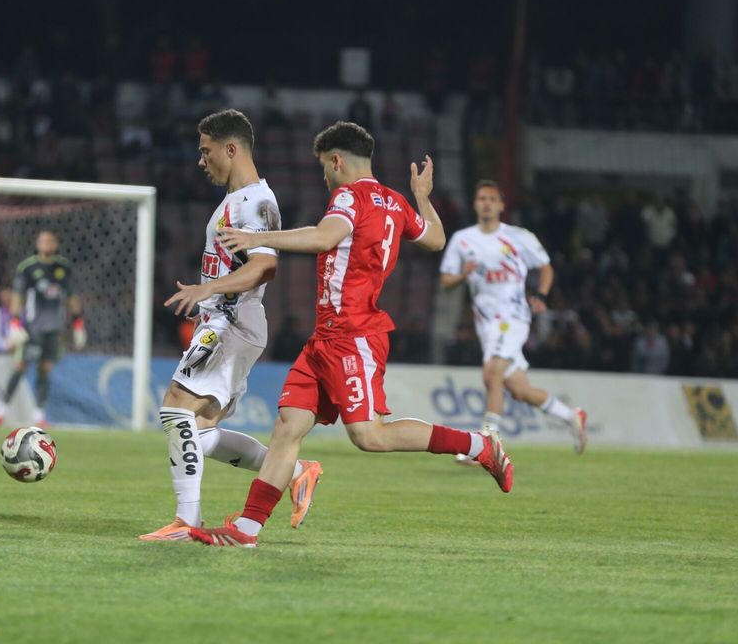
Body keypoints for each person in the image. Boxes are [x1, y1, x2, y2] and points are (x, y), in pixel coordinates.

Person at [189, 121, 512, 548]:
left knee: (370, 435)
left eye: (325, 166)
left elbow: (325, 236)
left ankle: (478, 445)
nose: (324, 176)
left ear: (337, 161)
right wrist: (422, 196)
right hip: (325, 338)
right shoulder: (395, 201)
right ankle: (245, 530)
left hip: (353, 335)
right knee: (288, 426)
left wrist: (257, 237)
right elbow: (435, 238)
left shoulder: (349, 197)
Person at [140, 108, 322, 542]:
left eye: (207, 151)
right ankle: (295, 470)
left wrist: (209, 289)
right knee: (198, 432)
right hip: (227, 319)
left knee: (175, 407)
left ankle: (187, 520)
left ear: (232, 149)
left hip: (231, 321)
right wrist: (209, 296)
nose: (201, 161)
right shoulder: (234, 201)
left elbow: (264, 267)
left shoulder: (256, 202)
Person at [439, 180, 587, 458]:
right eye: (482, 198)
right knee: (519, 389)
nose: (486, 203)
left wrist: (541, 295)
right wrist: (463, 275)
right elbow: (446, 281)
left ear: (501, 205)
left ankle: (485, 444)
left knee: (492, 372)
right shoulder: (462, 240)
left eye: (492, 199)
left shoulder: (519, 236)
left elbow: (546, 268)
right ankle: (570, 416)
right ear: (475, 204)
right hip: (485, 324)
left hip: (513, 317)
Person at [0, 231, 85, 429]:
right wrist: (15, 322)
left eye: (50, 241)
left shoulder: (64, 268)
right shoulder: (28, 267)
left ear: (56, 244)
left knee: (45, 368)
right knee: (20, 366)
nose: (46, 244)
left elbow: (71, 297)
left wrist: (78, 323)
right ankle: (1, 411)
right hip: (32, 327)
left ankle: (38, 414)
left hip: (54, 328)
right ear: (37, 244)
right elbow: (18, 295)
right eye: (42, 241)